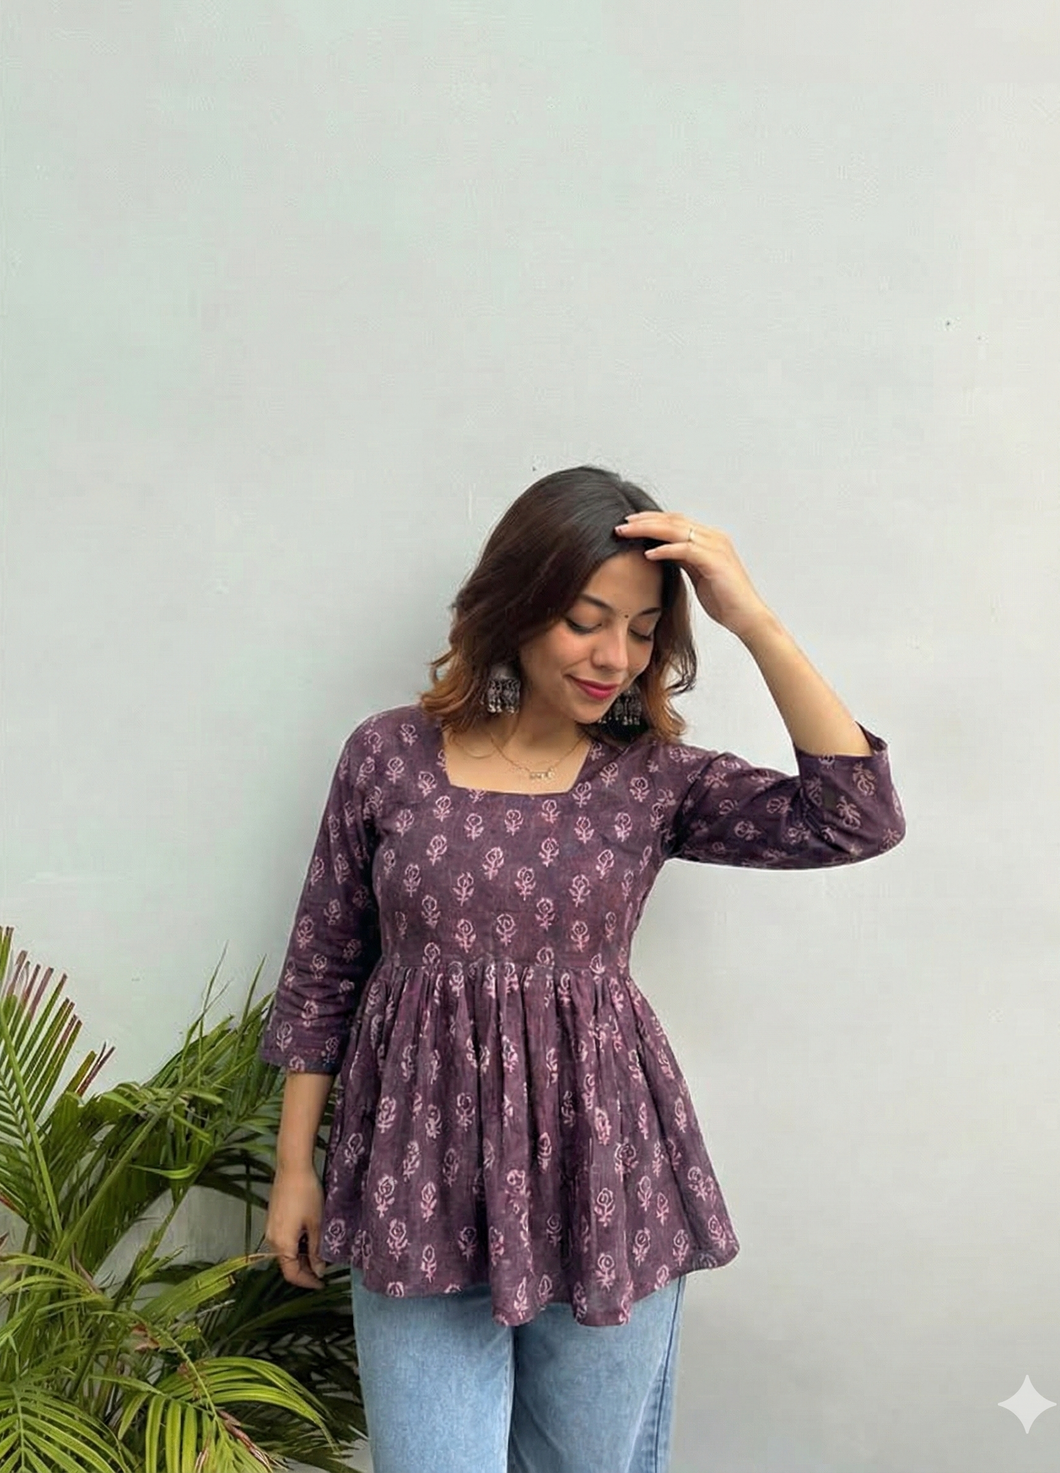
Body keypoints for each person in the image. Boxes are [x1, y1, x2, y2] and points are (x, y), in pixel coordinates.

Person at [259, 465, 906, 1473]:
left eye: (642, 631)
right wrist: (295, 1167)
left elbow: (854, 819)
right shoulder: (388, 755)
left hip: (604, 1178)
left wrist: (753, 620)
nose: (614, 657)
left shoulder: (651, 778)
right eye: (584, 620)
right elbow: (323, 965)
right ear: (516, 606)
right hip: (416, 1185)